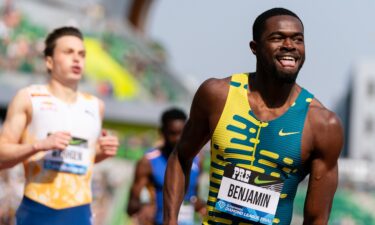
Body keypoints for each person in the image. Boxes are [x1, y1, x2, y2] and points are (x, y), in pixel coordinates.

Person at [163, 8, 344, 225]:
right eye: (277, 38)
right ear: (255, 48)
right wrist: (170, 221)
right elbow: (180, 156)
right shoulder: (217, 95)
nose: (290, 45)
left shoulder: (322, 124)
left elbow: (317, 218)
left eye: (298, 39)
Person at [0, 26, 119, 225]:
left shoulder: (95, 105)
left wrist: (101, 152)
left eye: (81, 54)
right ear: (49, 61)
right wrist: (38, 145)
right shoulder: (29, 98)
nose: (77, 58)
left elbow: (83, 158)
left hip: (79, 210)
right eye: (68, 52)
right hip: (38, 207)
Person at [127, 108, 206, 225]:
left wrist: (199, 204)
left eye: (182, 133)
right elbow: (132, 206)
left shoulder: (197, 159)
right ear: (162, 132)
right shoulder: (148, 161)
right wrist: (144, 205)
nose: (178, 139)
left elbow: (193, 194)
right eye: (173, 133)